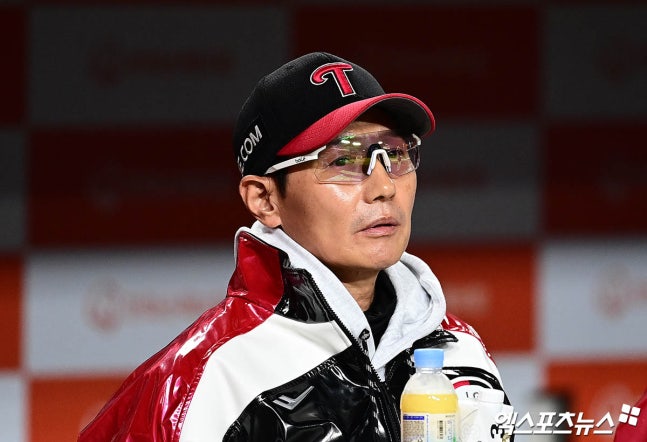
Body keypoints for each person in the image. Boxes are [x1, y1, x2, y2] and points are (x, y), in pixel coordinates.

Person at [79, 52, 511, 441]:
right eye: (343, 160)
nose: (383, 187)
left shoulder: (460, 348)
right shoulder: (201, 383)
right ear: (265, 199)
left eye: (395, 154)